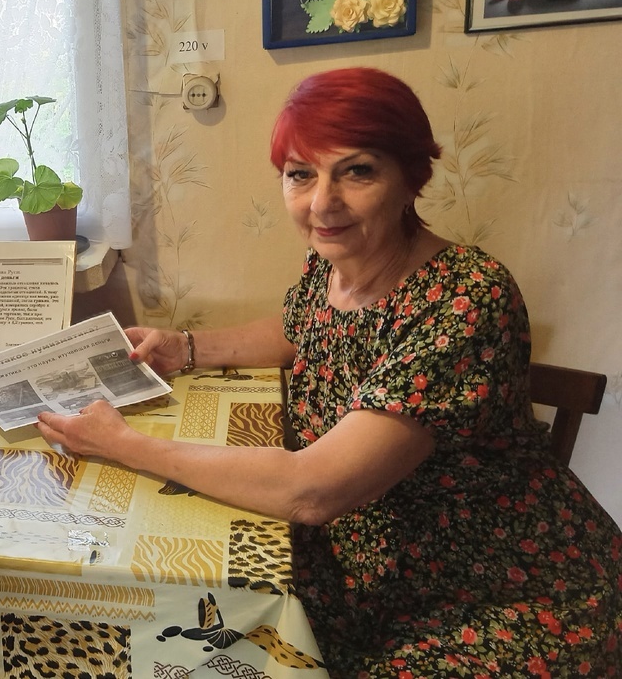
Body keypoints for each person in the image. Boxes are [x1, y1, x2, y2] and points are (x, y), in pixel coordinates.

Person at [38, 68, 622, 675]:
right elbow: (298, 330)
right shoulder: (335, 259)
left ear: (412, 178)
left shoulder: (468, 296)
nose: (322, 203)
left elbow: (312, 490)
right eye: (301, 174)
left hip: (500, 587)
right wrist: (184, 348)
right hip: (365, 554)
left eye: (357, 171)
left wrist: (123, 444)